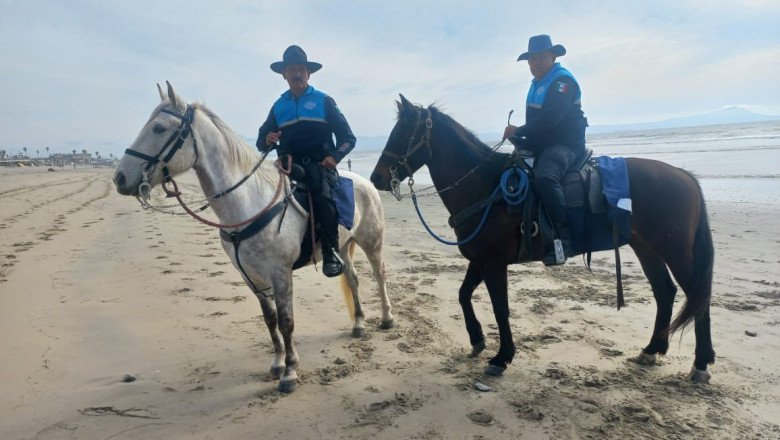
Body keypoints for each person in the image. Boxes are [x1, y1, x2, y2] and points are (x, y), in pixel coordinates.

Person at [256, 45, 356, 277]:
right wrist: (267, 139)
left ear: (308, 73)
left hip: (318, 166)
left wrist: (334, 157)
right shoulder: (279, 106)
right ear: (284, 74)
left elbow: (348, 138)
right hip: (287, 166)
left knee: (322, 196)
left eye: (300, 69)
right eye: (292, 69)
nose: (296, 73)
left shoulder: (324, 101)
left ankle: (330, 251)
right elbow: (262, 142)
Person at [503, 34, 588, 266]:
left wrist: (517, 130)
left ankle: (564, 238)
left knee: (544, 177)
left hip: (566, 145)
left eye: (540, 57)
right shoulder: (536, 84)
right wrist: (521, 139)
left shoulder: (562, 82)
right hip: (544, 144)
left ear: (552, 56)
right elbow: (537, 125)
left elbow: (551, 120)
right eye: (531, 59)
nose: (535, 62)